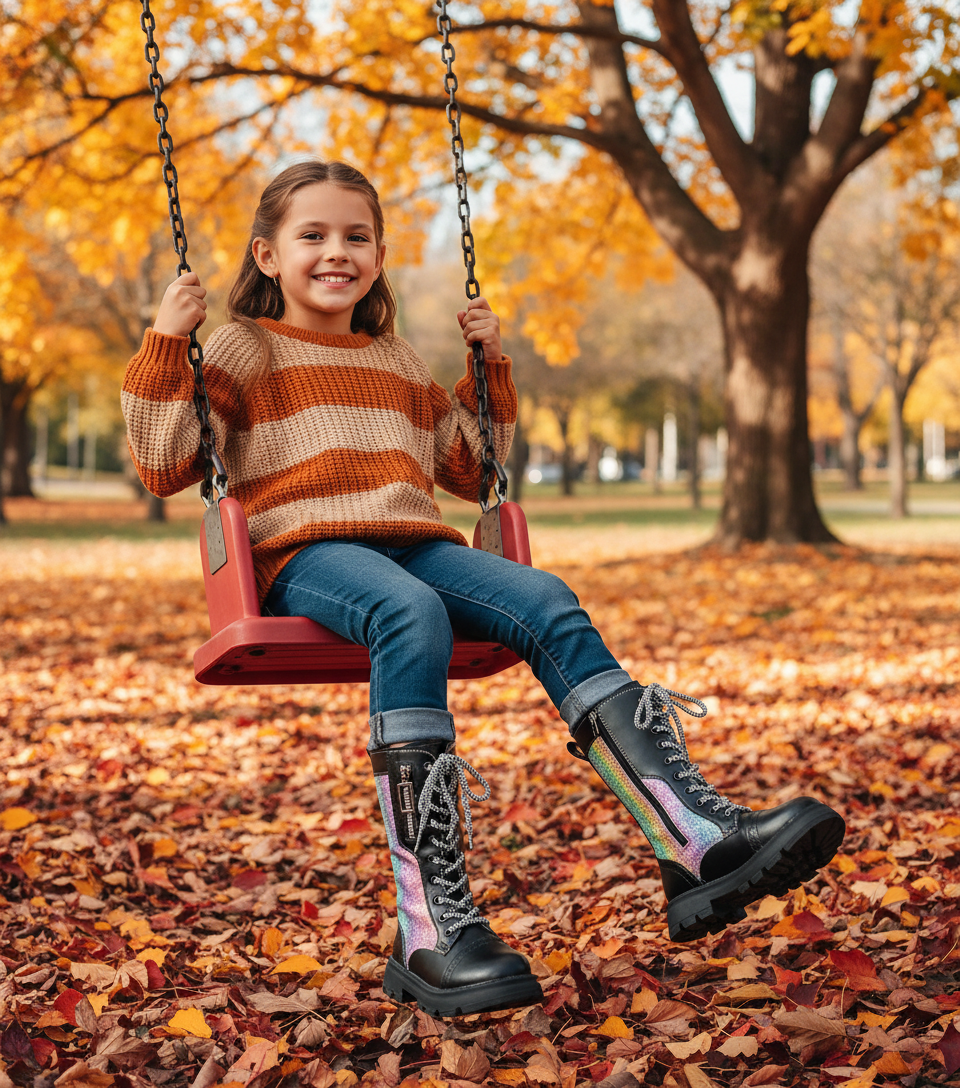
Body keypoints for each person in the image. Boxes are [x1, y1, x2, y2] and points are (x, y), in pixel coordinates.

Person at [122, 160, 845, 1019]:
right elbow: (162, 462)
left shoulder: (392, 354)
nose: (336, 252)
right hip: (307, 553)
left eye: (356, 236)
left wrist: (488, 363)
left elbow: (470, 467)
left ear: (381, 253)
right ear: (268, 255)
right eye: (311, 235)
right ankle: (433, 929)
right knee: (408, 613)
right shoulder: (242, 344)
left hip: (413, 543)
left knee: (545, 598)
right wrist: (168, 341)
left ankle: (692, 841)